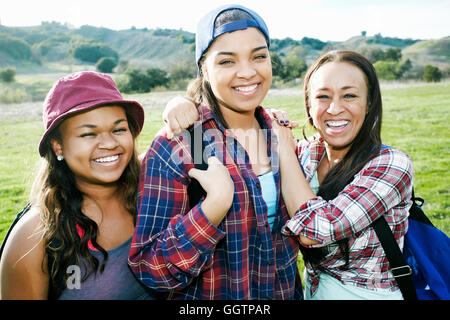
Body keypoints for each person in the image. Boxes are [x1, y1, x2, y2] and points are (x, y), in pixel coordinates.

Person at [162, 50, 414, 300]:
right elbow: (239, 119)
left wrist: (283, 145)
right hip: (310, 292)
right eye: (322, 97)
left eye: (349, 95)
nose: (335, 108)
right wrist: (186, 104)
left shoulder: (391, 164)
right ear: (309, 105)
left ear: (369, 102)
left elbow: (315, 231)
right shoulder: (307, 153)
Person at [128, 4, 302, 300]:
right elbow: (150, 267)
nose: (247, 72)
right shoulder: (182, 142)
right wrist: (214, 207)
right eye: (226, 61)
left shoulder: (278, 132)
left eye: (259, 56)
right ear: (203, 68)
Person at [0, 71, 158, 300]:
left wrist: (180, 104)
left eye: (119, 129)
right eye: (88, 134)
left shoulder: (153, 186)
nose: (109, 143)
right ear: (58, 147)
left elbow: (193, 136)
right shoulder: (33, 238)